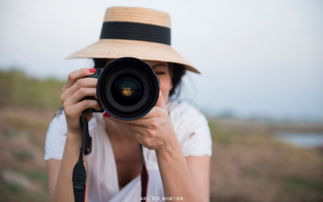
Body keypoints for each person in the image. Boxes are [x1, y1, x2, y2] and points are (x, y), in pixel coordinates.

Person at [45, 6, 212, 202]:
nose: (143, 85)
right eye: (127, 73)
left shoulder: (186, 123)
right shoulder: (70, 122)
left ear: (173, 80)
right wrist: (75, 135)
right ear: (100, 76)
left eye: (157, 73)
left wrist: (167, 146)